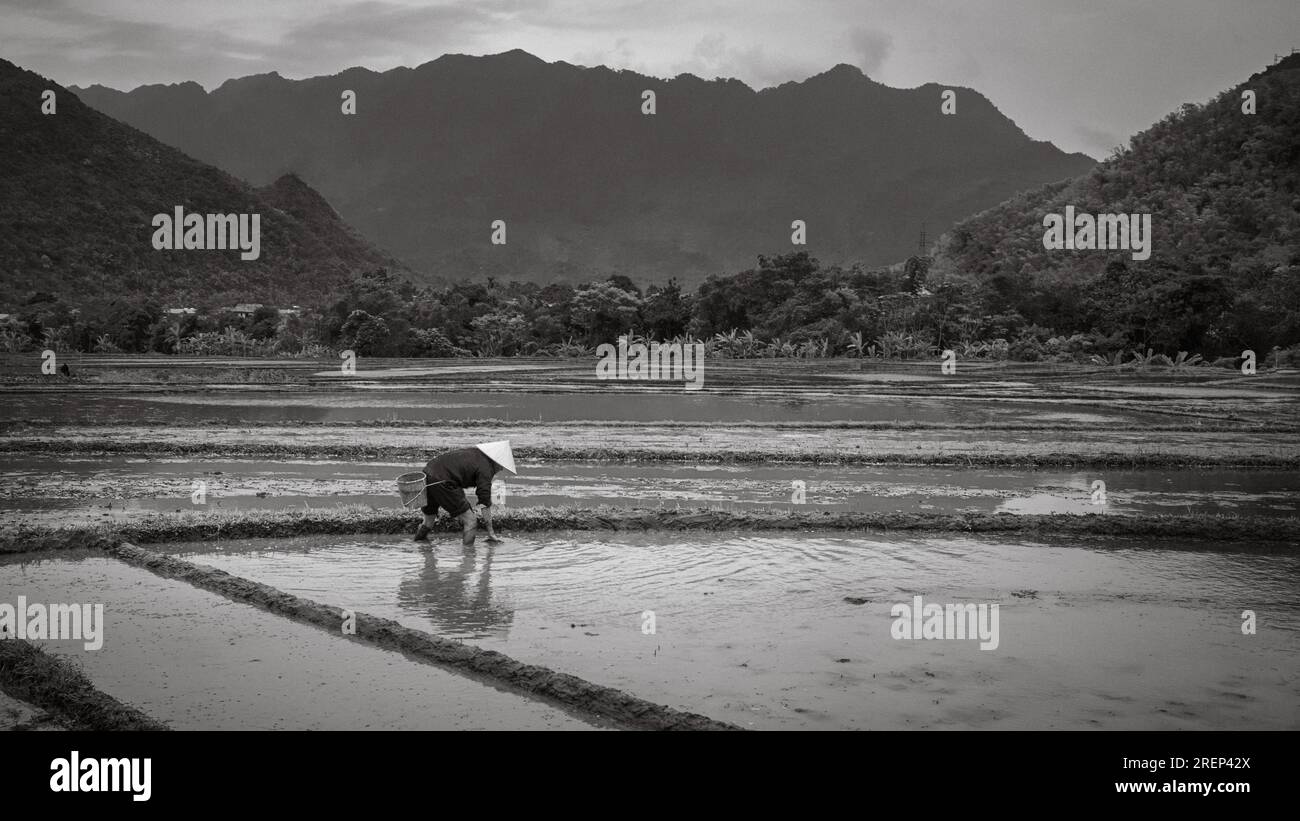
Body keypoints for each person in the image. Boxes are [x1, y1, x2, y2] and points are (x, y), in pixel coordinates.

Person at [412, 440, 516, 546]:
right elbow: (484, 500)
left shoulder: (474, 453)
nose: (501, 469)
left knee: (428, 521)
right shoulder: (486, 467)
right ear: (496, 461)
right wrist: (491, 532)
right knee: (471, 521)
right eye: (501, 466)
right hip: (443, 481)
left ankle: (417, 546)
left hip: (428, 474)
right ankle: (468, 556)